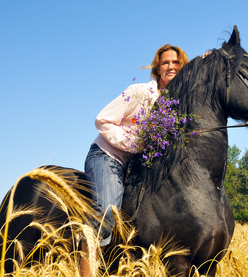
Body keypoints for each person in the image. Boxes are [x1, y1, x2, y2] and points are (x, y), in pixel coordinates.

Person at [80, 44, 189, 277]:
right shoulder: (139, 93)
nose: (171, 66)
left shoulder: (178, 105)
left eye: (176, 62)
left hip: (139, 167)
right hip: (108, 157)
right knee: (106, 214)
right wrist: (138, 144)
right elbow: (102, 119)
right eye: (165, 63)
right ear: (157, 69)